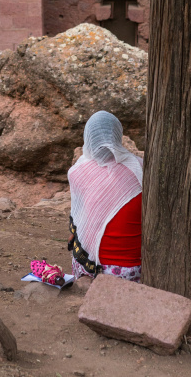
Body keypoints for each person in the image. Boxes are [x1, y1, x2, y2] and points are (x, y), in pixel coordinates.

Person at [68, 110, 143, 282]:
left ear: (88, 137)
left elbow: (80, 221)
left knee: (81, 238)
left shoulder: (78, 172)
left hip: (97, 271)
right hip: (135, 269)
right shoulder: (140, 168)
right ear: (118, 135)